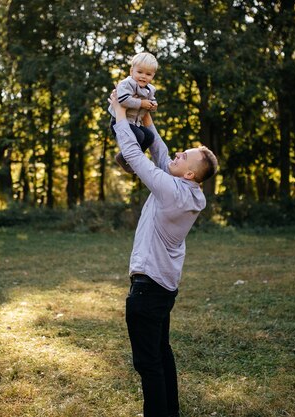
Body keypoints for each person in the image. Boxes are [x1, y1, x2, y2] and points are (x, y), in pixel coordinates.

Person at [108, 89, 218, 417]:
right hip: (162, 289)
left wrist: (118, 115)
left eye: (185, 157)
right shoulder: (186, 189)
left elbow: (133, 153)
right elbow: (160, 153)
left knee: (148, 364)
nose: (178, 154)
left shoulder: (170, 190)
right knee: (161, 354)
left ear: (189, 174)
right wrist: (146, 118)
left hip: (147, 290)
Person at [108, 52, 159, 174]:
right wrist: (141, 103)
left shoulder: (150, 89)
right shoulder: (126, 83)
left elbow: (152, 100)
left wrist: (153, 105)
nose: (143, 76)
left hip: (134, 123)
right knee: (139, 136)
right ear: (132, 71)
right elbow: (123, 100)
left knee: (150, 137)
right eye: (139, 72)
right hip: (119, 121)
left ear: (153, 76)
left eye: (148, 74)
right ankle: (130, 159)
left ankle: (124, 157)